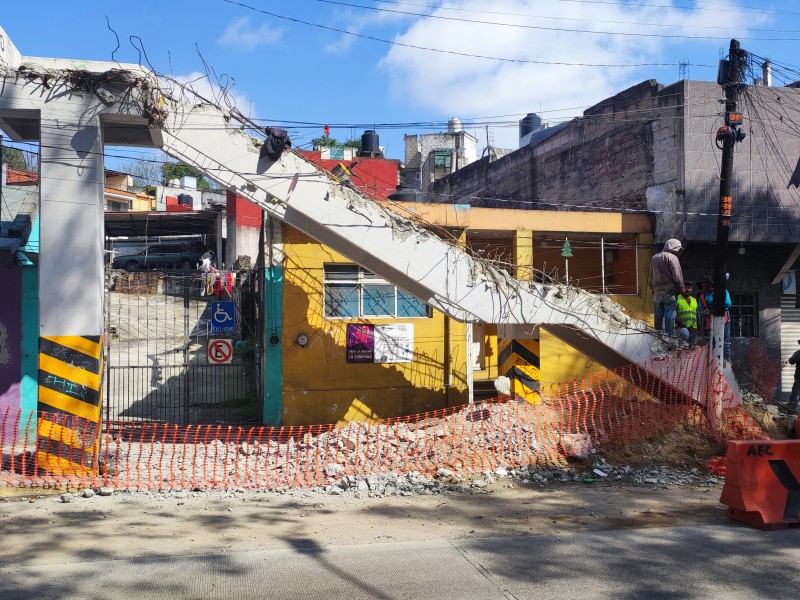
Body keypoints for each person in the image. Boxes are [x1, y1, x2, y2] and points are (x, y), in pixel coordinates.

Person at [647, 239, 684, 334]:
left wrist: (652, 288)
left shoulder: (654, 258)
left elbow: (650, 275)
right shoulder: (672, 257)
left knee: (658, 313)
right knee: (670, 313)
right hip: (670, 291)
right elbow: (677, 276)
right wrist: (682, 289)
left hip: (657, 291)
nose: (677, 250)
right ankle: (669, 335)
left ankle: (658, 334)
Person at [697, 275, 732, 361]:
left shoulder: (722, 291)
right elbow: (701, 312)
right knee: (712, 345)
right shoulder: (702, 297)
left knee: (725, 344)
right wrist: (705, 313)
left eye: (706, 285)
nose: (704, 287)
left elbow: (728, 304)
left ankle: (727, 366)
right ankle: (714, 365)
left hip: (723, 321)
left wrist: (714, 310)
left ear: (711, 284)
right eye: (703, 286)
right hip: (711, 323)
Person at [786, 340, 800, 413]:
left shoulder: (798, 353)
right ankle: (790, 413)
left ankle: (790, 413)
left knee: (794, 396)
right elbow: (791, 361)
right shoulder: (798, 353)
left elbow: (791, 361)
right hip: (798, 379)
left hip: (798, 379)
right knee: (794, 396)